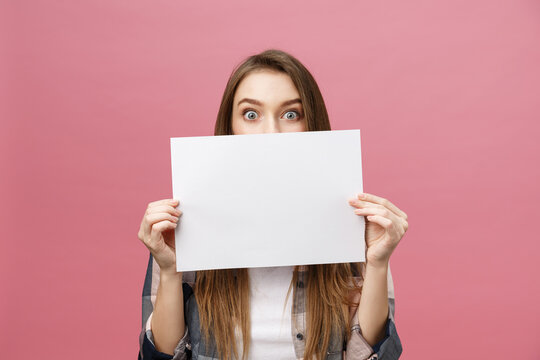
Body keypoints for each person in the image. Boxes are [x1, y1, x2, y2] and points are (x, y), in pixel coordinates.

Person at [137, 49, 408, 360]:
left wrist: (376, 264)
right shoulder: (183, 227)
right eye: (251, 114)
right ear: (230, 127)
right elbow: (160, 356)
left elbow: (371, 356)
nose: (271, 133)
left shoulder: (353, 226)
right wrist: (170, 269)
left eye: (290, 114)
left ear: (312, 125)